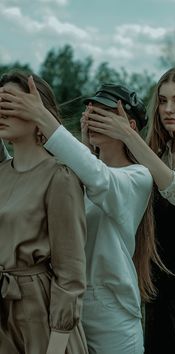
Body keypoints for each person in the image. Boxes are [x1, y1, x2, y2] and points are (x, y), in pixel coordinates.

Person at [0, 80, 169, 354]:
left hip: (109, 313)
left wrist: (40, 114)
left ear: (130, 127)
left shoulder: (138, 177)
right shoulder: (70, 172)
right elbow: (21, 170)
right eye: (90, 111)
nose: (92, 117)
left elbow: (99, 178)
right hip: (57, 303)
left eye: (104, 113)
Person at [73, 67, 175, 354]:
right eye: (162, 100)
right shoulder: (154, 153)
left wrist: (129, 135)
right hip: (154, 275)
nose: (168, 109)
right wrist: (90, 139)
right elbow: (107, 179)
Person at [0, 71, 88, 354]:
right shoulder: (1, 172)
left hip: (38, 312)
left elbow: (71, 273)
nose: (2, 112)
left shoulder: (59, 176)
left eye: (10, 104)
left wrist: (57, 345)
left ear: (38, 112)